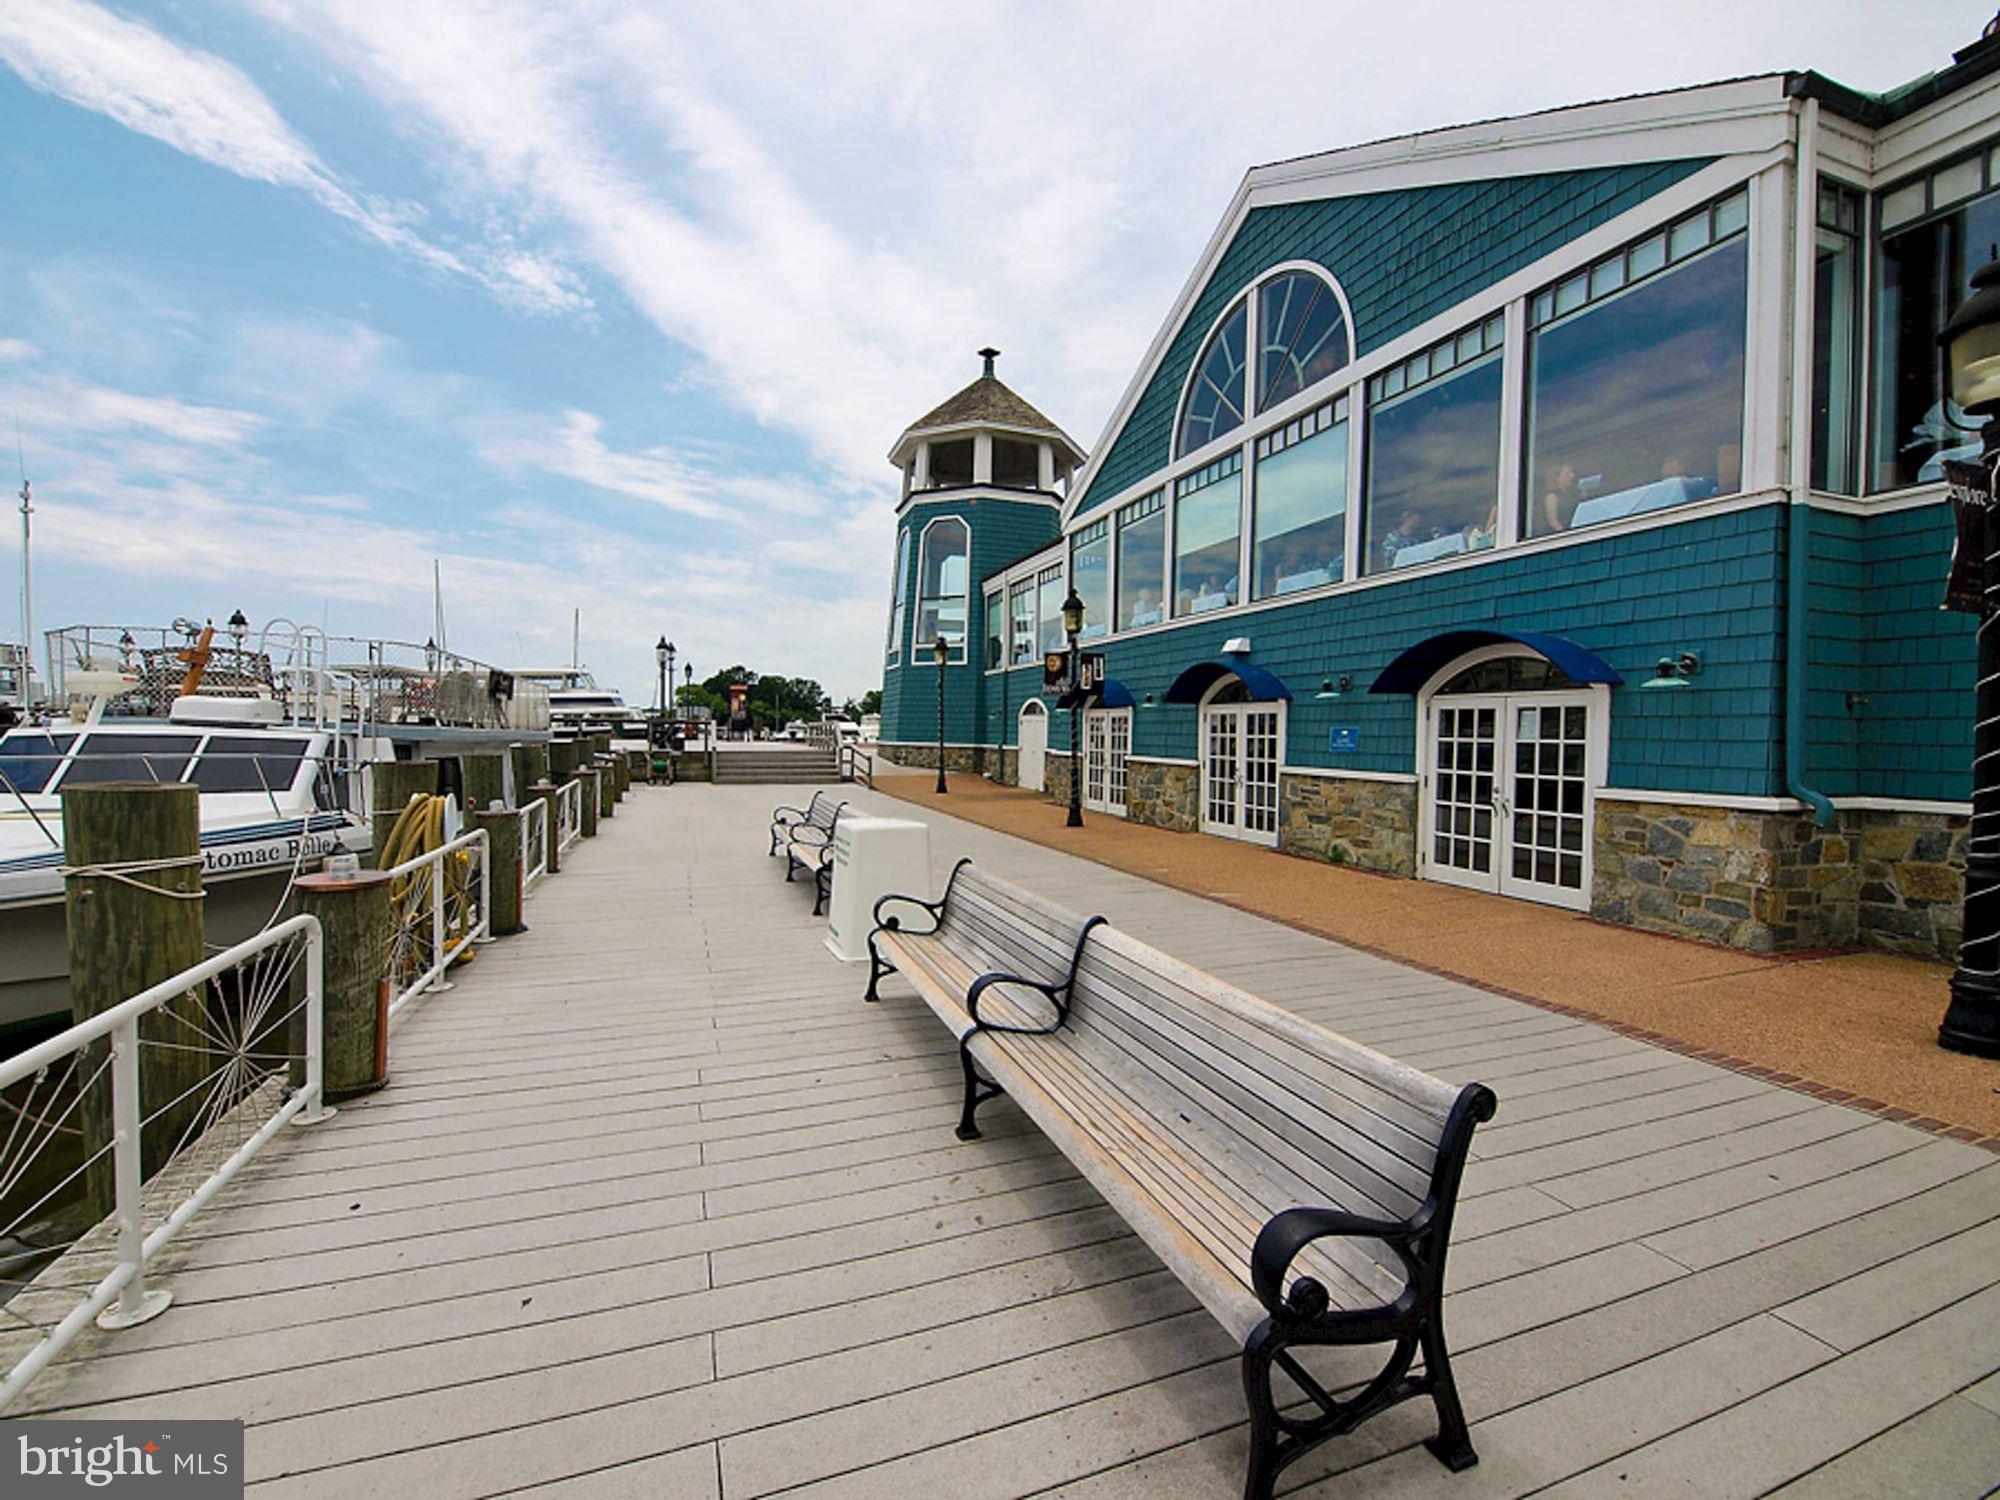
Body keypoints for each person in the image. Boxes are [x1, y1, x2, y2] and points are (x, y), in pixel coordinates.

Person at [1539, 462, 1582, 533]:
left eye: (1572, 473)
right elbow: (1553, 522)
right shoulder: (1551, 497)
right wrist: (1566, 534)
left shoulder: (1572, 494)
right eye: (1567, 473)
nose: (1572, 476)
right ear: (1557, 478)